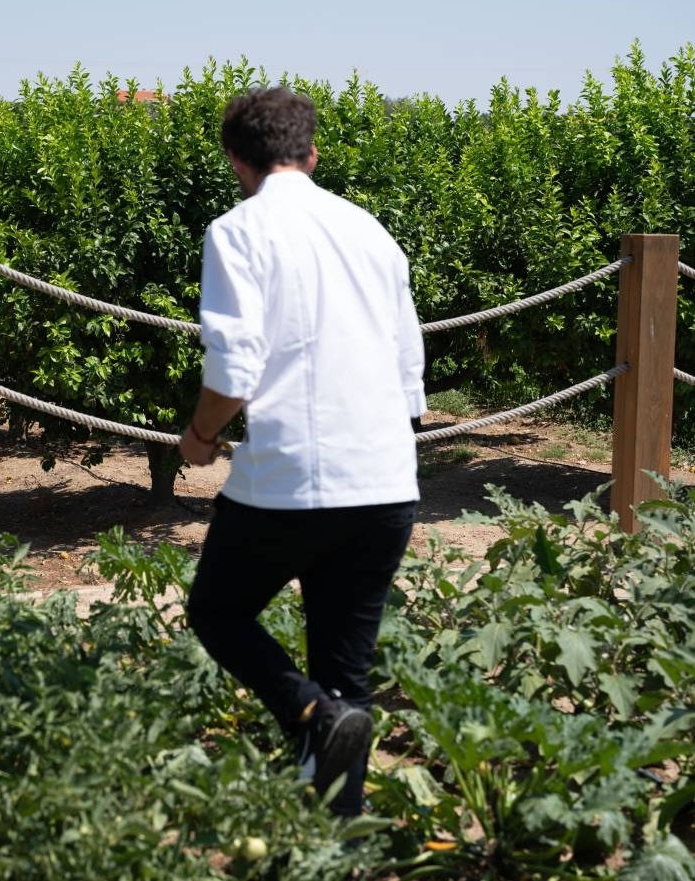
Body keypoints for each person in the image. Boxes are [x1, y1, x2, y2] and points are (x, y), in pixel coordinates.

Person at [178, 86, 426, 818]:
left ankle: (306, 712)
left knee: (218, 613)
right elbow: (409, 365)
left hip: (292, 481)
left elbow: (233, 368)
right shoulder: (370, 231)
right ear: (311, 154)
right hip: (384, 480)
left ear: (234, 160)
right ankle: (335, 837)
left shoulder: (238, 230)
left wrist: (199, 435)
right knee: (345, 674)